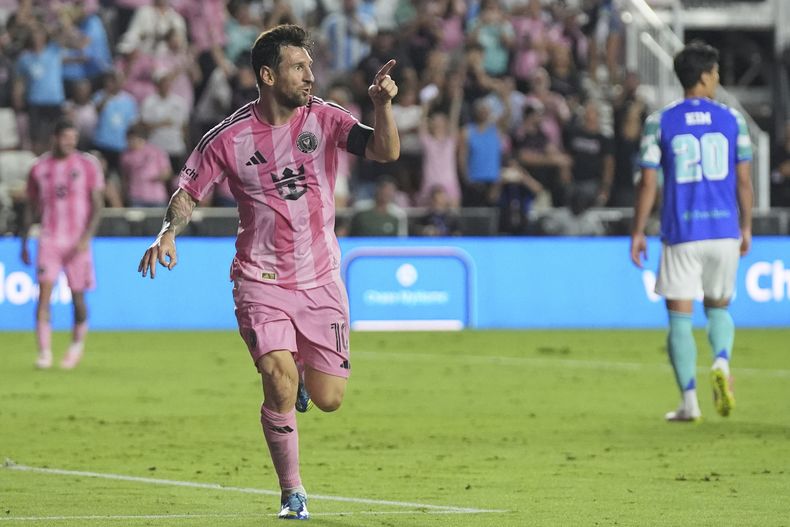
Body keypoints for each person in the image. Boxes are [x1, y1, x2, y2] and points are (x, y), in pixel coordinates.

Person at [137, 24, 399, 520]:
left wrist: (383, 107)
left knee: (329, 400)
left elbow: (386, 152)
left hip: (321, 279)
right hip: (260, 279)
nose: (309, 75)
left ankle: (304, 370)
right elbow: (189, 191)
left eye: (310, 66)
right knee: (276, 379)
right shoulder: (228, 137)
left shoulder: (323, 118)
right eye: (298, 67)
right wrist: (167, 232)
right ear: (267, 74)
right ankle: (292, 491)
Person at [630, 42, 753, 422]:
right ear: (702, 76)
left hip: (682, 231)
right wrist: (746, 225)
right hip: (723, 229)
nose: (717, 79)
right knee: (719, 306)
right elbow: (744, 182)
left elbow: (648, 183)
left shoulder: (660, 120)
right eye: (714, 72)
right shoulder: (733, 119)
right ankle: (720, 361)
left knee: (679, 318)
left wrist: (638, 231)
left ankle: (690, 402)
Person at [20, 119, 105, 370]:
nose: (70, 142)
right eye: (66, 137)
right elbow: (31, 207)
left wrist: (87, 237)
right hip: (49, 240)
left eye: (74, 138)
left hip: (78, 242)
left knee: (78, 298)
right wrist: (24, 239)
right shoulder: (39, 168)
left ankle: (76, 346)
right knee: (43, 296)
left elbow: (98, 205)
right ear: (55, 138)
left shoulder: (88, 165)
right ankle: (44, 353)